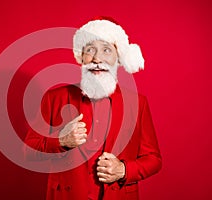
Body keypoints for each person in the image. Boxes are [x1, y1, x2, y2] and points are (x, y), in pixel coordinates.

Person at [24, 17, 162, 200]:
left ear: (118, 57)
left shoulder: (138, 103)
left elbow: (154, 159)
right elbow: (27, 152)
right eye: (90, 49)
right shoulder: (54, 98)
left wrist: (124, 170)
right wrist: (60, 141)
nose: (97, 58)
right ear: (81, 56)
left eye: (106, 50)